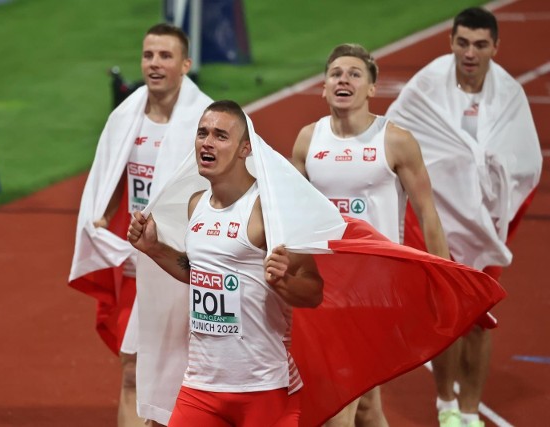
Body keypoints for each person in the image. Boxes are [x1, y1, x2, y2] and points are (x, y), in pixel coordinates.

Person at [386, 7, 542, 427]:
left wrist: (491, 182)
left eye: (479, 44)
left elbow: (527, 160)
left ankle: (470, 412)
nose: (470, 53)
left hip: (486, 224)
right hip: (434, 217)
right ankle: (446, 405)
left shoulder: (509, 94)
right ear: (451, 42)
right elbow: (396, 137)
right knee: (444, 315)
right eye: (462, 42)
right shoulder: (426, 86)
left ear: (495, 47)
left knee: (477, 319)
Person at [127, 100, 325, 426]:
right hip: (201, 387)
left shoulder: (268, 209)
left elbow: (314, 289)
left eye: (221, 136)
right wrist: (154, 248)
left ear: (245, 148)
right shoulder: (197, 205)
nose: (207, 142)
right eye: (202, 133)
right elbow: (199, 273)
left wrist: (285, 282)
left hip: (264, 388)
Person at [291, 43, 451, 427]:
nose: (343, 79)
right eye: (335, 74)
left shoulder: (394, 140)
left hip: (374, 293)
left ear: (372, 88)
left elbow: (428, 213)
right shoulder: (307, 141)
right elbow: (289, 216)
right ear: (324, 88)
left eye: (354, 74)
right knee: (365, 406)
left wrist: (444, 278)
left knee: (339, 401)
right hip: (321, 290)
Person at [68, 23, 212, 427]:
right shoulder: (126, 117)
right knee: (132, 368)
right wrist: (100, 216)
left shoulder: (206, 121)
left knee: (184, 372)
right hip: (137, 258)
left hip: (181, 263)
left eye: (165, 56)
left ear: (185, 64)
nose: (154, 64)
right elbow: (115, 176)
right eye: (148, 55)